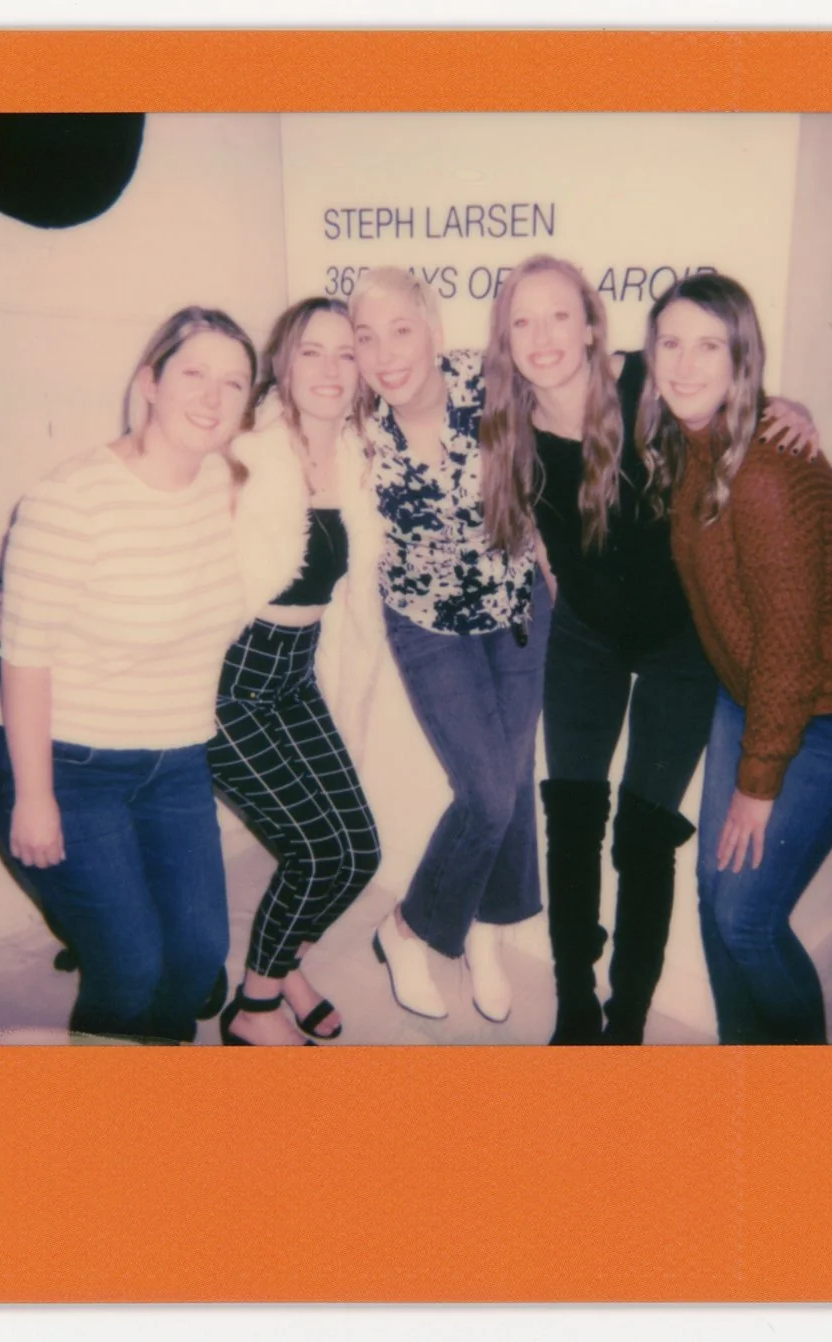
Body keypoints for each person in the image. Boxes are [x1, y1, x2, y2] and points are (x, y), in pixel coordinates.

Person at [481, 254, 817, 1045]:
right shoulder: (502, 423)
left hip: (680, 646)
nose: (543, 337)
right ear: (505, 339)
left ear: (594, 325)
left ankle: (627, 1014)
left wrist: (788, 406)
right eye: (522, 321)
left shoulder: (646, 382)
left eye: (560, 315)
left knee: (643, 832)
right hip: (586, 640)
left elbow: (729, 402)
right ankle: (573, 1003)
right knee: (571, 817)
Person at [0, 306, 265, 1043]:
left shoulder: (227, 486)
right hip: (67, 765)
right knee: (129, 965)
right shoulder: (70, 502)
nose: (211, 397)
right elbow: (24, 657)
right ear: (149, 381)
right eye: (193, 374)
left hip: (174, 762)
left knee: (201, 955)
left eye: (233, 383)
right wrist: (35, 798)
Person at [638, 273, 832, 1045]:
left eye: (709, 345)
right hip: (750, 695)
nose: (684, 364)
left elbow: (789, 650)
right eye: (669, 343)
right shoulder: (690, 438)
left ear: (742, 357)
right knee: (717, 901)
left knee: (744, 919)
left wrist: (758, 782)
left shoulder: (766, 474)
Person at [349, 267, 551, 1024]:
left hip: (516, 607)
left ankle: (487, 939)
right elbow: (279, 425)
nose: (385, 352)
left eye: (401, 329)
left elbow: (599, 387)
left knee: (514, 777)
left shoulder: (492, 385)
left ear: (434, 330)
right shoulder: (358, 426)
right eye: (366, 336)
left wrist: (772, 406)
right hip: (427, 622)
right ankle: (407, 928)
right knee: (487, 793)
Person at [208, 297, 384, 1047]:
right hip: (226, 679)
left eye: (347, 353)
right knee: (318, 851)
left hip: (295, 673)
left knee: (359, 849)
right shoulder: (243, 448)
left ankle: (281, 970)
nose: (330, 370)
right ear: (284, 359)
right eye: (312, 351)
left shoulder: (356, 451)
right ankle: (252, 1010)